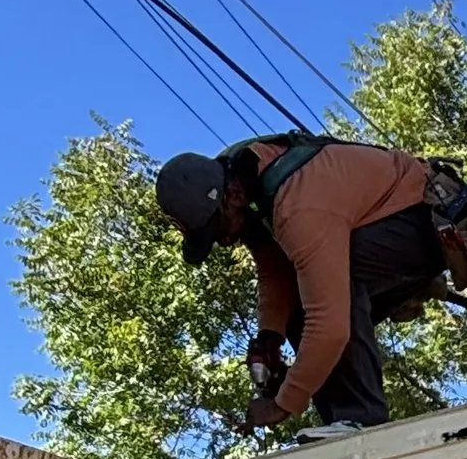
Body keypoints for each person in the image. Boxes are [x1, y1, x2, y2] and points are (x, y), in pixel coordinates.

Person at [154, 133, 450, 434]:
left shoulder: (297, 205)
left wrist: (281, 405)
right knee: (307, 294)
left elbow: (330, 326)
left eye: (218, 228)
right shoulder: (246, 180)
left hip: (426, 216)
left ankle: (361, 419)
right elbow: (273, 267)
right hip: (385, 222)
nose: (224, 241)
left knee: (327, 287)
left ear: (233, 196)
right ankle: (342, 423)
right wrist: (269, 337)